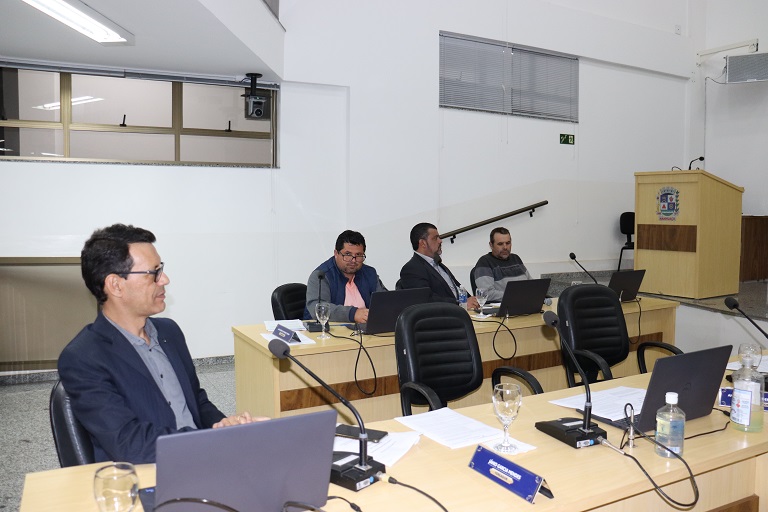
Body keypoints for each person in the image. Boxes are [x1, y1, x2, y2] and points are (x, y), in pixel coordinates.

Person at [57, 223, 263, 464]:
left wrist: (223, 425)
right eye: (153, 273)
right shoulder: (84, 357)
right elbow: (129, 444)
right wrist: (209, 440)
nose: (164, 279)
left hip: (202, 455)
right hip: (150, 471)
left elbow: (196, 402)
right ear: (115, 285)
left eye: (161, 269)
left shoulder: (169, 332)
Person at [304, 230, 387, 323]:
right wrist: (353, 314)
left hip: (364, 329)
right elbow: (318, 308)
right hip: (329, 330)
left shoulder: (369, 273)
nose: (353, 260)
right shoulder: (321, 276)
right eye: (348, 254)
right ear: (336, 253)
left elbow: (385, 301)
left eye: (358, 255)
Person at [397, 222, 479, 309]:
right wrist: (461, 303)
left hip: (462, 311)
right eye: (435, 238)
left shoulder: (438, 264)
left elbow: (458, 289)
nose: (440, 241)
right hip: (445, 315)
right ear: (423, 243)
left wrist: (473, 301)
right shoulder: (412, 269)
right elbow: (426, 300)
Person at [472, 227, 531, 302]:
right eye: (500, 244)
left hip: (525, 303)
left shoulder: (516, 258)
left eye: (508, 243)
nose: (505, 247)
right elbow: (486, 294)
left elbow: (531, 284)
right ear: (491, 245)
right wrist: (516, 295)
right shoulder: (485, 262)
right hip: (503, 306)